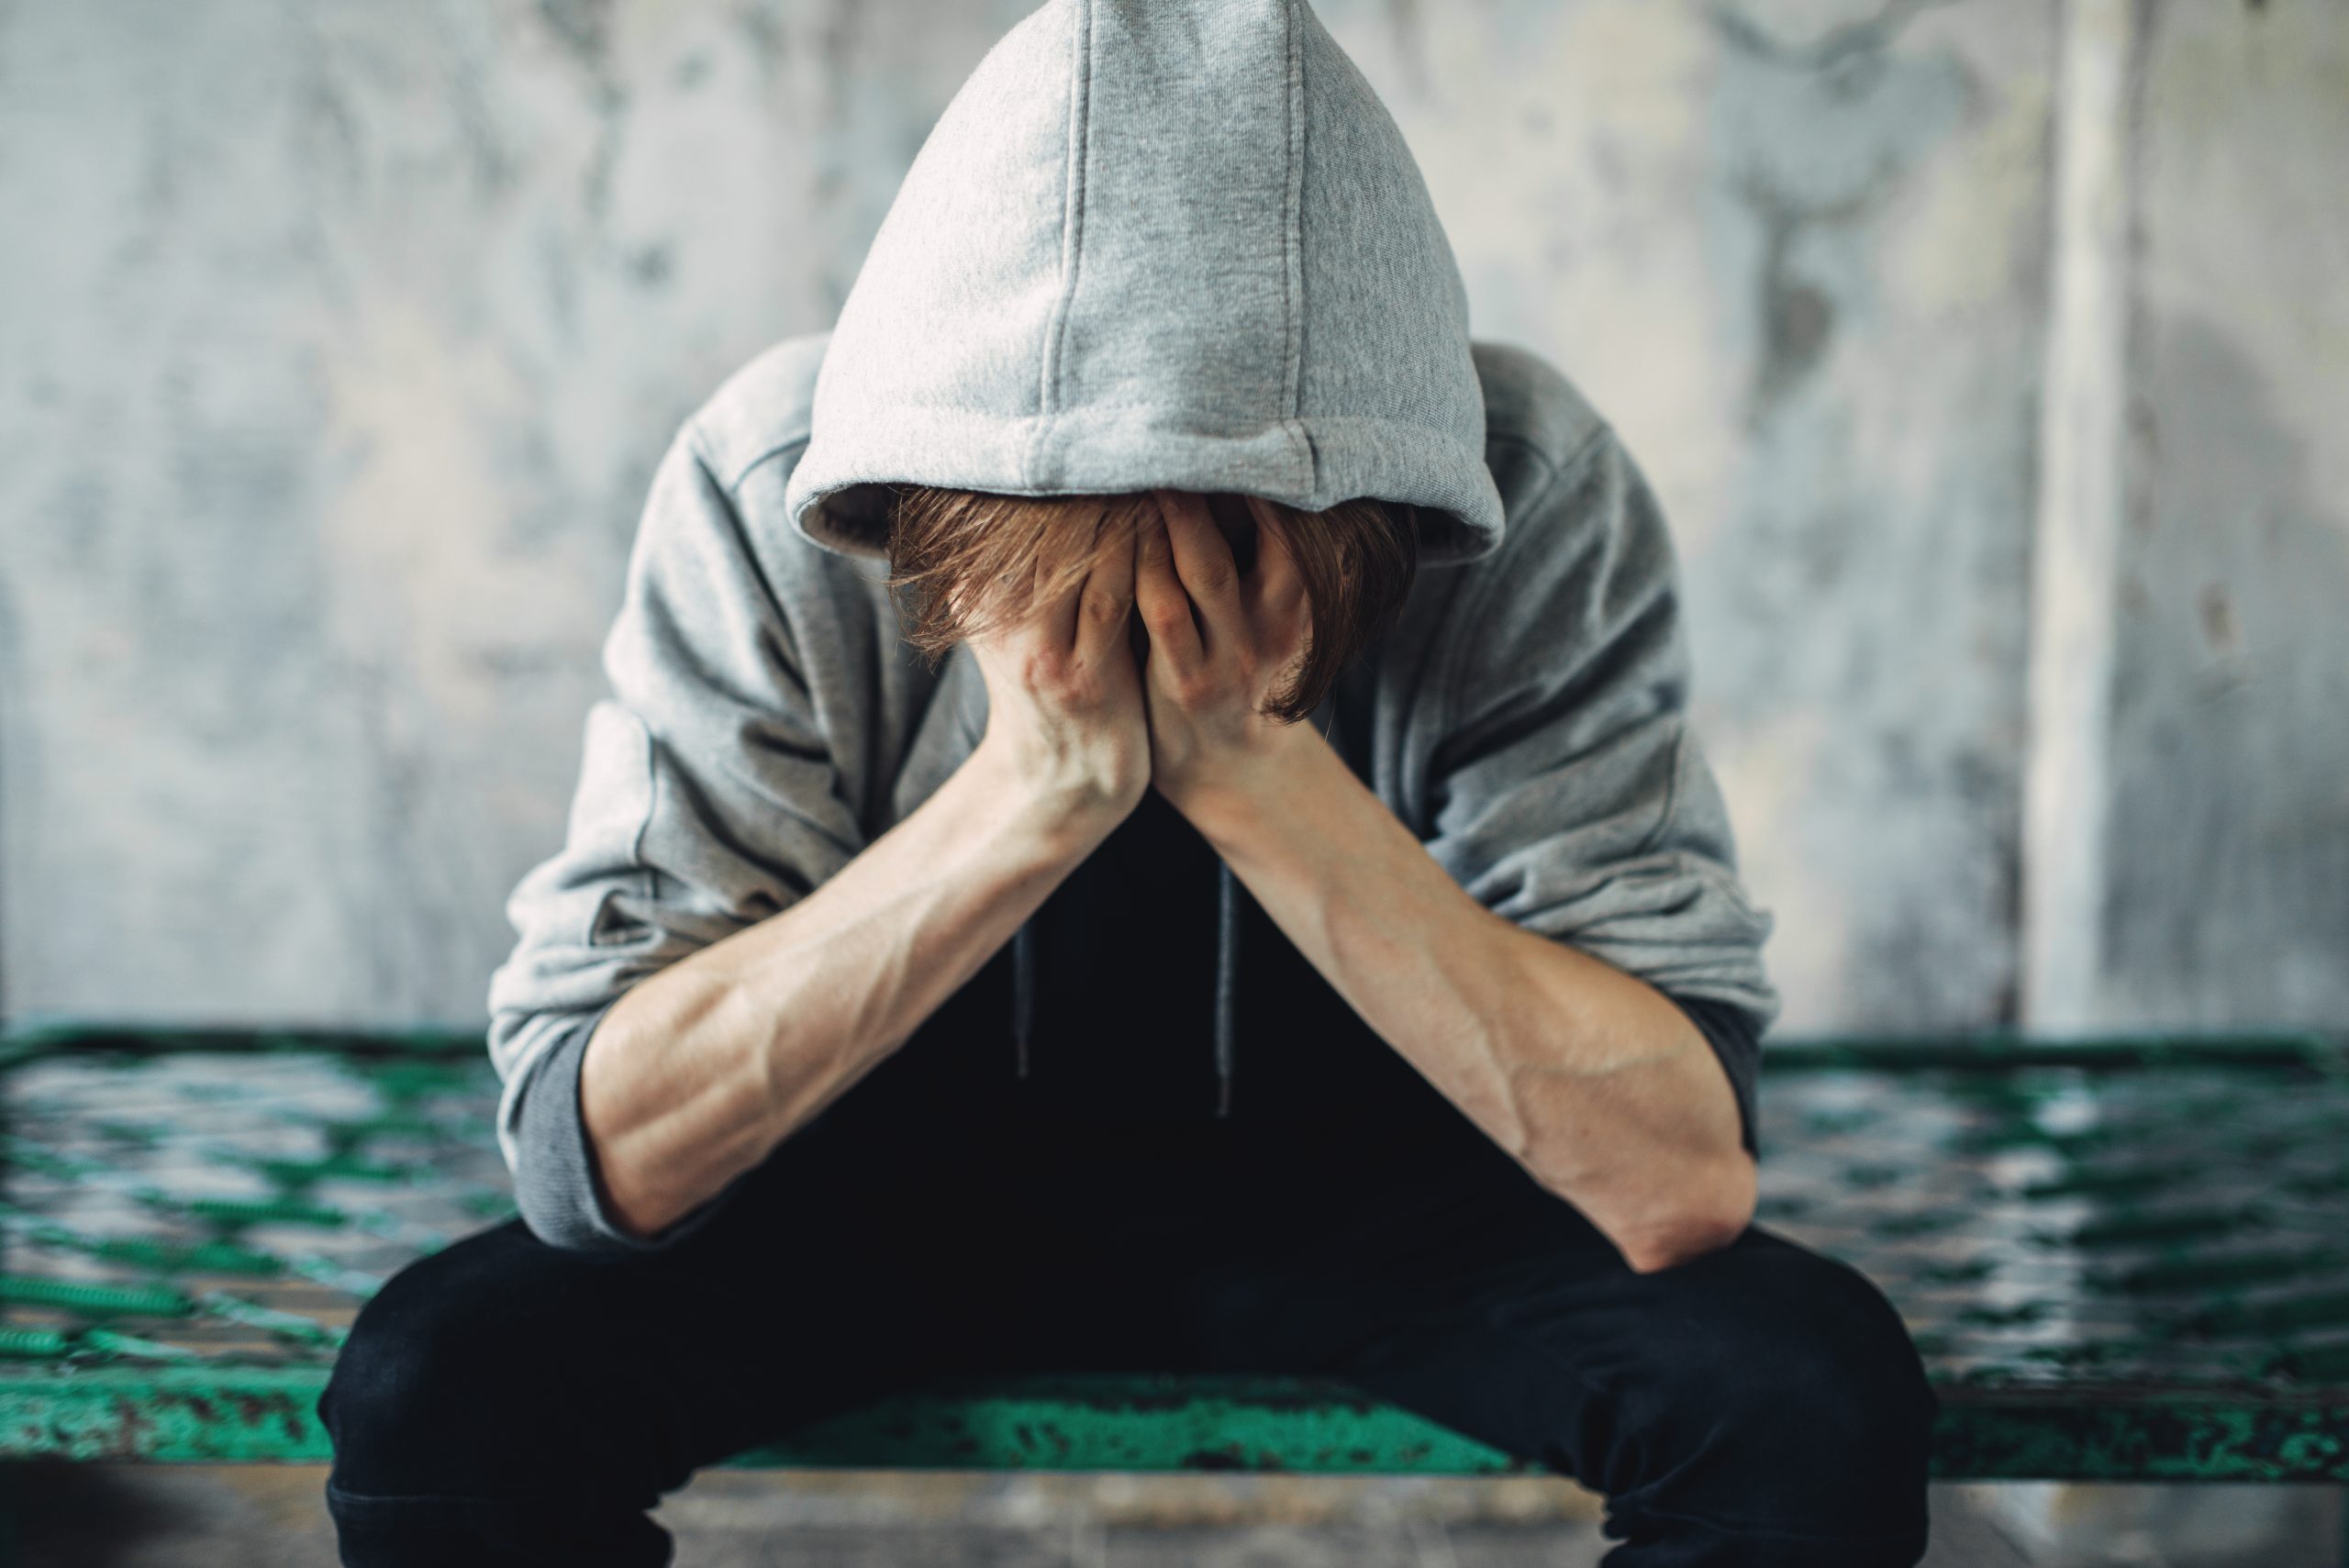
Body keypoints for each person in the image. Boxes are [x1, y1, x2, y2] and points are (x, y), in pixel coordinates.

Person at [317, 1, 1937, 1563]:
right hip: (871, 1182)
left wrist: (1253, 770)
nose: (1145, 647)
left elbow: (1680, 1181)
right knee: (440, 1387)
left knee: (1804, 1402)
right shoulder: (772, 482)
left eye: (1217, 593)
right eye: (1072, 606)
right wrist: (1034, 791)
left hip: (1393, 1193)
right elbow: (591, 1158)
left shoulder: (1528, 494)